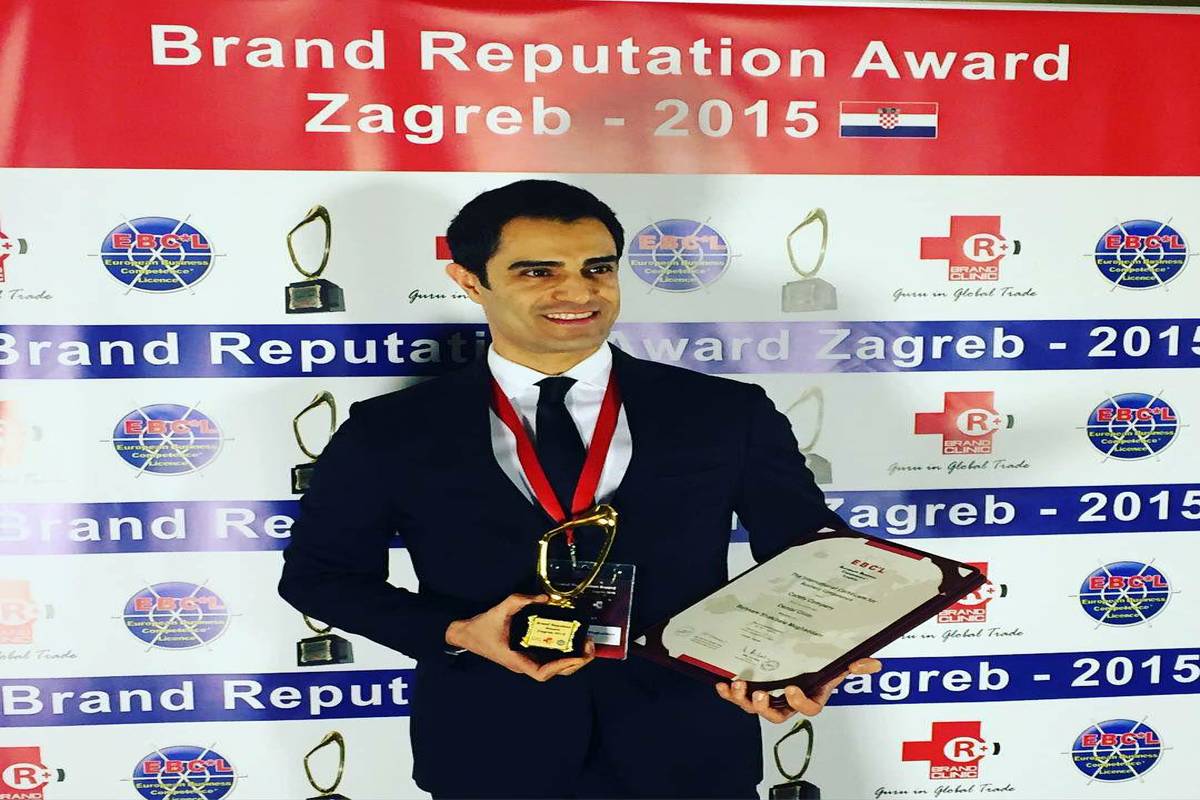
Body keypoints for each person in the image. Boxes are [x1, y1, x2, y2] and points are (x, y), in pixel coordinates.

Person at [278, 179, 882, 799]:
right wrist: (457, 632)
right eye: (537, 271)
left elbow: (808, 553)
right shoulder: (391, 430)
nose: (578, 291)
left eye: (598, 268)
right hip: (488, 749)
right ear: (469, 281)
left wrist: (804, 657)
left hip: (688, 748)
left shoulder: (725, 413)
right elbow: (320, 577)